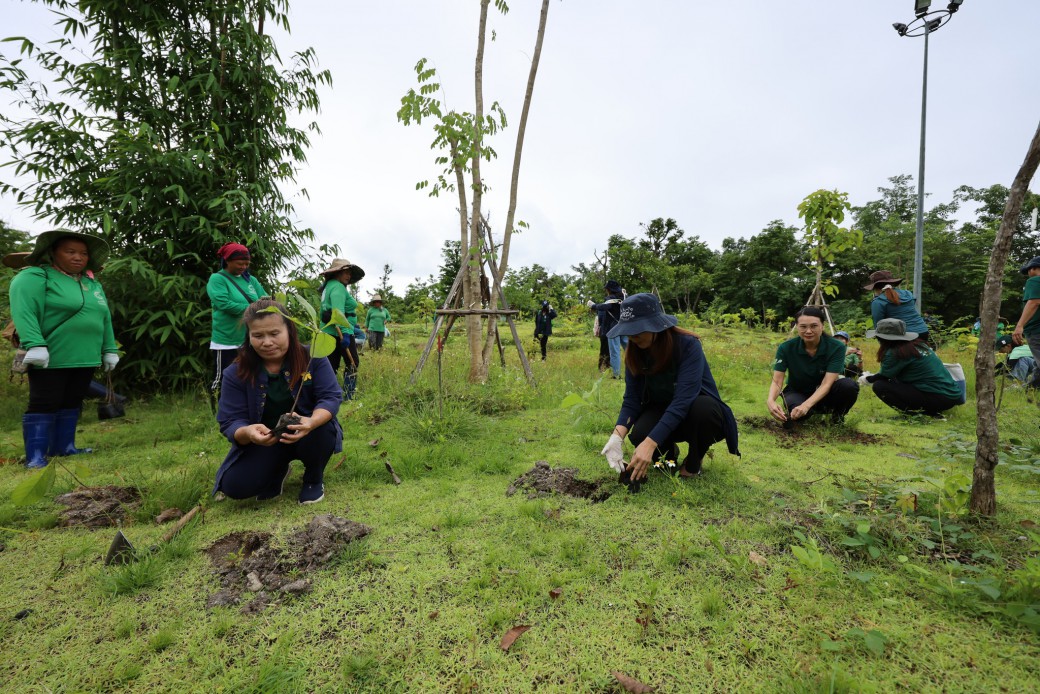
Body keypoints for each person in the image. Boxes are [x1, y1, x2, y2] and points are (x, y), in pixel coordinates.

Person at [600, 293, 739, 484]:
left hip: (692, 411)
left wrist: (650, 444)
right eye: (629, 332)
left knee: (704, 410)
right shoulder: (634, 352)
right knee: (641, 434)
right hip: (660, 409)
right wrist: (617, 437)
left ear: (655, 326)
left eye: (637, 330)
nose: (632, 337)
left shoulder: (688, 345)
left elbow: (683, 401)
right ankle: (669, 455)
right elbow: (632, 400)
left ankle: (694, 460)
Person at [213, 299, 343, 504]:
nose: (267, 342)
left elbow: (330, 397)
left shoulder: (313, 358)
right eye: (258, 336)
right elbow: (230, 421)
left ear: (289, 330)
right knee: (235, 486)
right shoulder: (235, 373)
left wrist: (311, 422)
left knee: (323, 429)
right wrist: (248, 432)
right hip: (267, 442)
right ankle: (278, 469)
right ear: (249, 336)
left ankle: (313, 478)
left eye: (274, 334)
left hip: (309, 435)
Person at [9, 230, 119, 468]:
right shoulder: (36, 276)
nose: (78, 257)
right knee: (44, 402)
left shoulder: (90, 283)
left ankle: (64, 447)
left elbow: (103, 317)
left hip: (85, 355)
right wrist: (35, 344)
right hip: (51, 355)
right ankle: (36, 456)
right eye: (70, 252)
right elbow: (24, 311)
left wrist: (110, 349)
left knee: (72, 401)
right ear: (53, 253)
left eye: (83, 253)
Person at [767, 306, 860, 425]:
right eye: (803, 326)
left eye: (814, 326)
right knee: (799, 415)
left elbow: (827, 383)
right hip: (797, 391)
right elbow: (777, 381)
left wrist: (806, 405)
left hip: (826, 393)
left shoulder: (837, 347)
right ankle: (805, 411)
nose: (808, 331)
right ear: (797, 327)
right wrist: (771, 401)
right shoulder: (786, 347)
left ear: (822, 326)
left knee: (849, 385)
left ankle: (837, 418)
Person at [860, 318, 963, 416]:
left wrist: (866, 379)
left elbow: (884, 376)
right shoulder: (919, 345)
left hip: (937, 396)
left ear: (883, 338)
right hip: (950, 395)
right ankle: (931, 412)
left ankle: (918, 415)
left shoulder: (896, 352)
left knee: (879, 386)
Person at [207, 243, 266, 401]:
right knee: (222, 378)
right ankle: (217, 408)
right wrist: (254, 308)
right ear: (227, 261)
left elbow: (264, 300)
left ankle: (243, 407)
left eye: (247, 264)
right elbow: (224, 304)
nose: (244, 267)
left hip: (249, 339)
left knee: (249, 376)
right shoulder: (217, 279)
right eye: (240, 263)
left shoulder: (251, 280)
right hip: (227, 340)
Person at [319, 258, 365, 399]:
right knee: (352, 362)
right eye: (346, 272)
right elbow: (338, 312)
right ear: (337, 273)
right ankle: (349, 394)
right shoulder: (338, 288)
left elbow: (324, 311)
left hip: (328, 331)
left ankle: (328, 395)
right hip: (341, 331)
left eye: (350, 273)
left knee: (331, 365)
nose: (348, 276)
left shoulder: (328, 286)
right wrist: (345, 334)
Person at [865, 270, 930, 344]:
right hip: (923, 331)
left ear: (875, 288)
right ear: (893, 283)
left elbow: (878, 326)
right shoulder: (908, 294)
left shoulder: (878, 301)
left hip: (903, 336)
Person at [1012, 256, 1040, 388]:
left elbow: (1034, 302)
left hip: (1036, 330)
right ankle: (1030, 389)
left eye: (1028, 270)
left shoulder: (1034, 280)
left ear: (1033, 268)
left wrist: (1019, 326)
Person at [587, 279, 625, 378]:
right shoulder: (624, 297)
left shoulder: (611, 298)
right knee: (628, 349)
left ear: (609, 289)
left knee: (614, 352)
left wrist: (593, 305)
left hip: (612, 328)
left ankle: (615, 374)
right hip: (624, 326)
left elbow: (605, 307)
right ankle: (636, 369)